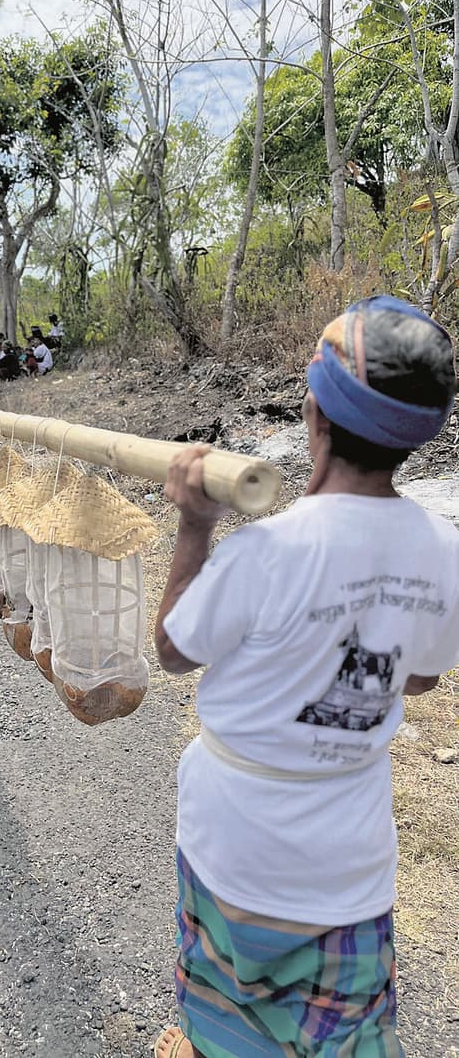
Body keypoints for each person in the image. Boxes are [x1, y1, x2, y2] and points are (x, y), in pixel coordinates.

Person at [152, 295, 459, 1058]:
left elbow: (172, 650)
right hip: (347, 858)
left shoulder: (268, 551)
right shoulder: (444, 551)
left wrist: (193, 526)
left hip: (236, 843)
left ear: (315, 416)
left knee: (230, 1009)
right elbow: (418, 679)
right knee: (345, 1033)